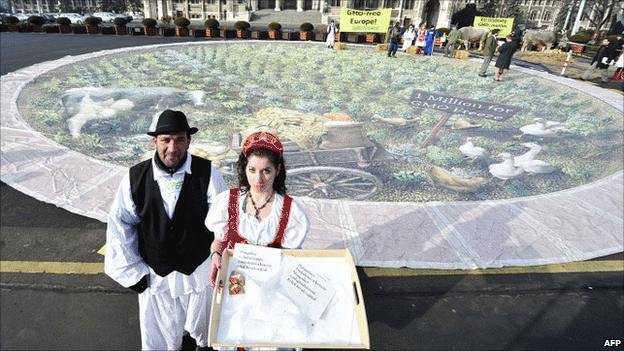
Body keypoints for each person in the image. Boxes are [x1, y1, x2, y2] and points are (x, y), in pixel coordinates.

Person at [104, 109, 227, 351]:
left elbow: (224, 222)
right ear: (155, 141)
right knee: (162, 341)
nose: (173, 148)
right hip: (156, 275)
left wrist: (219, 263)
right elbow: (120, 224)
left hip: (199, 273)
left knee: (207, 336)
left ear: (188, 141)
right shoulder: (135, 178)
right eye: (166, 140)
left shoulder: (208, 173)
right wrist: (132, 274)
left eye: (179, 140)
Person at [206, 130, 310, 285]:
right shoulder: (228, 201)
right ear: (245, 168)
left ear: (278, 170)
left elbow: (291, 258)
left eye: (266, 171)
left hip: (272, 285)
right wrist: (215, 255)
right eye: (252, 170)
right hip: (236, 284)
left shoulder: (290, 211)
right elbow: (220, 241)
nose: (258, 179)